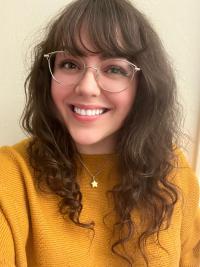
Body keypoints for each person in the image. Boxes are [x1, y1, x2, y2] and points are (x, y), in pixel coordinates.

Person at [0, 0, 199, 266]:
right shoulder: (11, 175)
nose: (87, 87)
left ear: (144, 85)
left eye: (114, 69)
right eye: (70, 64)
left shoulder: (172, 170)